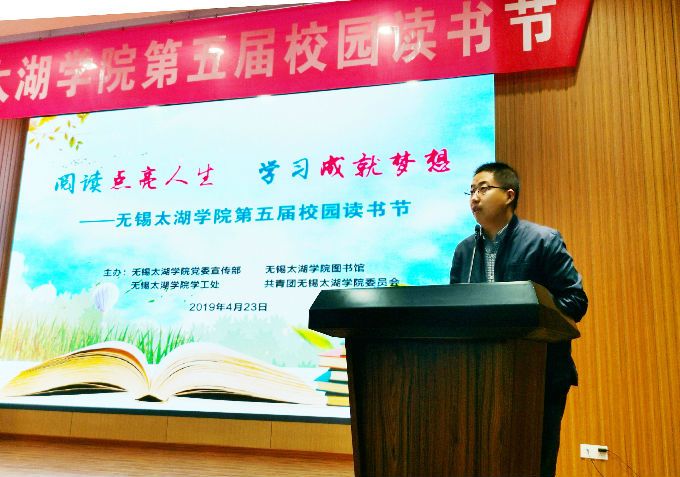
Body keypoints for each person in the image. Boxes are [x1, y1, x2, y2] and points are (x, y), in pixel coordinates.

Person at [449, 162, 588, 477]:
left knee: (534, 461)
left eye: (483, 188)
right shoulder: (464, 251)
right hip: (478, 373)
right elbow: (454, 307)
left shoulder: (543, 240)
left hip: (538, 373)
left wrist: (524, 315)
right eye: (471, 191)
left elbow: (575, 301)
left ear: (509, 195)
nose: (474, 197)